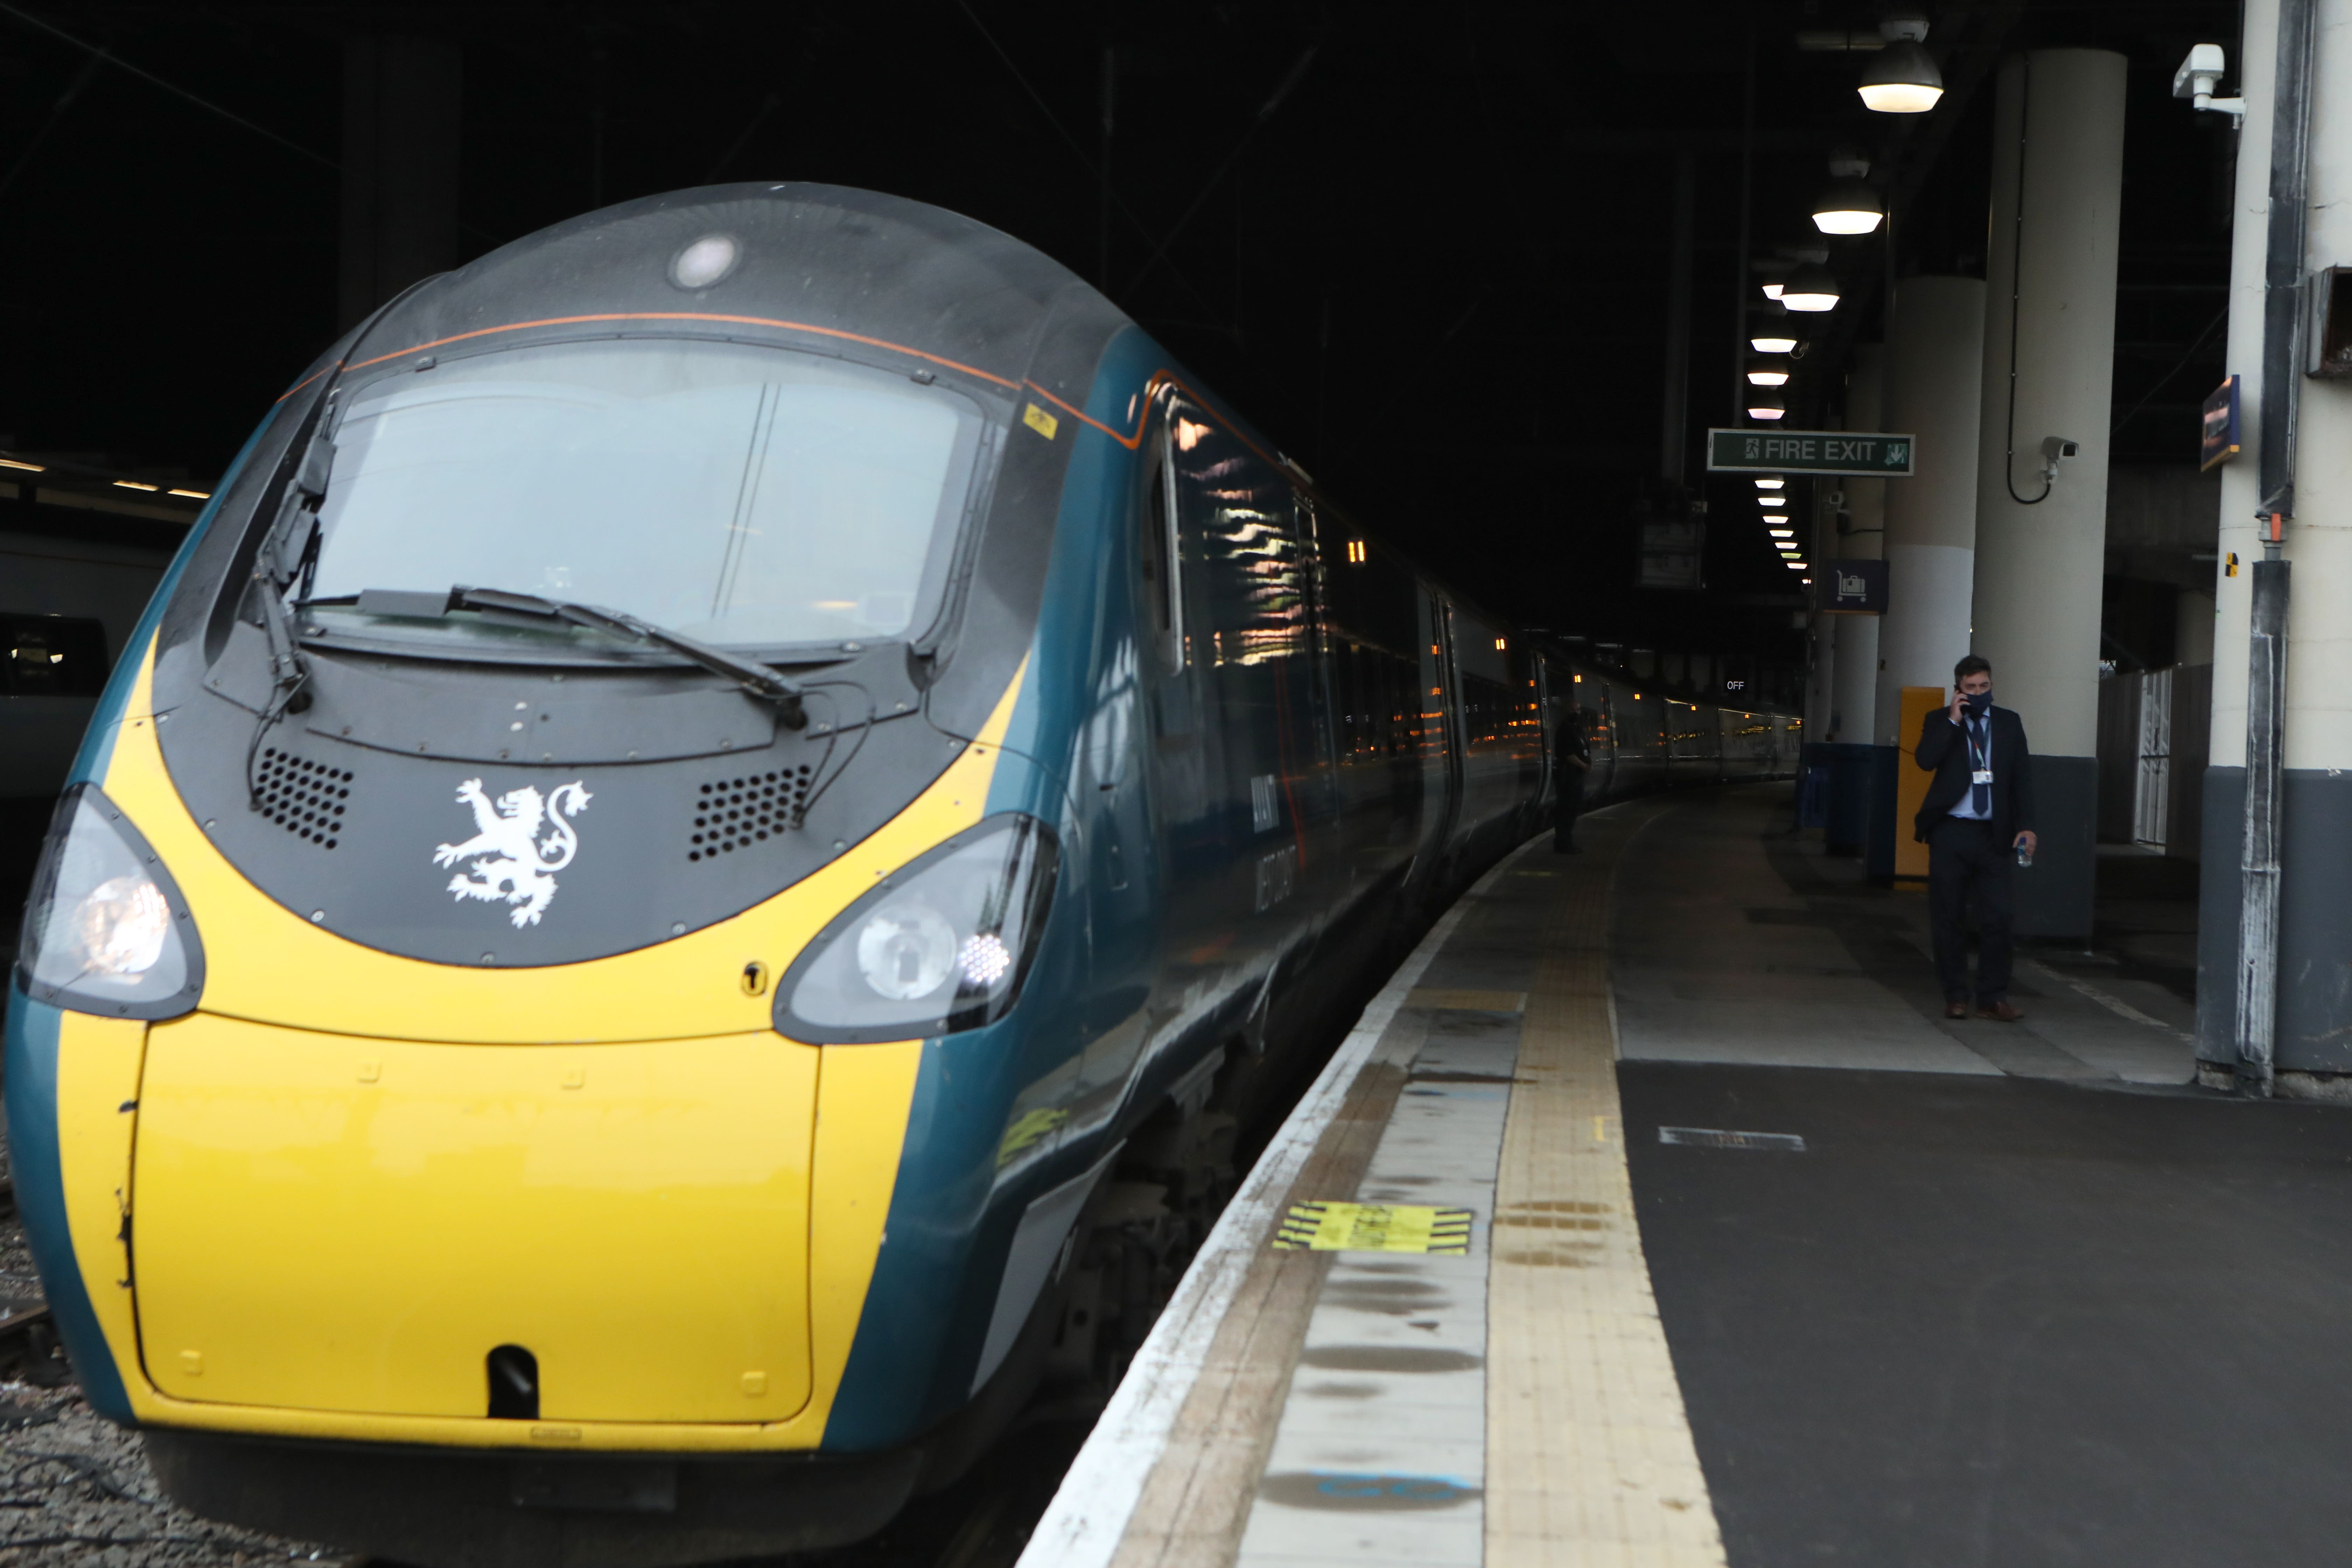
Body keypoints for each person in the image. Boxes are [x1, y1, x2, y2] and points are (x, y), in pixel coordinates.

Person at [1913, 654, 2038, 1021]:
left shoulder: (2008, 724)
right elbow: (1925, 760)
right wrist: (1953, 721)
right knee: (1948, 917)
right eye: (1971, 688)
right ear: (1958, 691)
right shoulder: (1939, 721)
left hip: (1994, 835)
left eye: (1985, 686)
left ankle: (1993, 995)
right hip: (1951, 832)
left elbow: (2022, 779)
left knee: (1999, 916)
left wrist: (2027, 826)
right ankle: (1955, 994)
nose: (1980, 693)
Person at [1554, 701, 1592, 853]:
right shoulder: (1564, 729)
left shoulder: (1577, 729)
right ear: (1566, 711)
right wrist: (1585, 766)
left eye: (1578, 710)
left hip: (1577, 775)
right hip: (1567, 776)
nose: (1577, 713)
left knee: (1573, 809)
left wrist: (1589, 763)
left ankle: (1566, 841)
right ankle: (1563, 843)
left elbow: (1585, 750)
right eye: (1574, 710)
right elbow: (1569, 755)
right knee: (1567, 809)